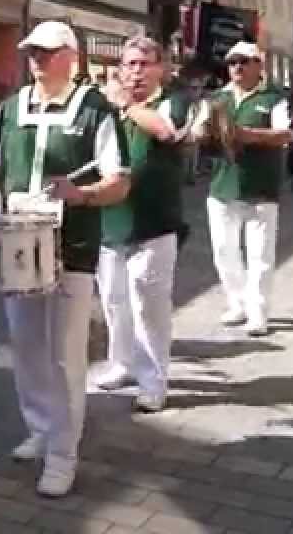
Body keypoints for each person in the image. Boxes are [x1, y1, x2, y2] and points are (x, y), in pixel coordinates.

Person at [0, 21, 131, 498]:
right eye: (32, 52)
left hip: (71, 251)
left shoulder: (95, 109)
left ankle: (64, 453)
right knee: (26, 349)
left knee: (64, 357)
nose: (36, 60)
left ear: (70, 57)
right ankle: (40, 426)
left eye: (46, 52)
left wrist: (80, 194)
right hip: (17, 248)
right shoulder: (11, 109)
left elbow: (119, 181)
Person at [95, 37, 190, 413]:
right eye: (130, 64)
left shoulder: (173, 101)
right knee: (114, 301)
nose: (136, 72)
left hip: (155, 220)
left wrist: (126, 104)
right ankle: (122, 363)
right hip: (111, 219)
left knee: (149, 305)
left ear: (161, 69)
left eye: (145, 64)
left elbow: (165, 130)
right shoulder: (110, 108)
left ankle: (154, 382)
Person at [191, 41, 293, 337]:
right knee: (224, 251)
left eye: (243, 61)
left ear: (258, 65)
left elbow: (284, 134)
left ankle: (258, 311)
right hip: (223, 185)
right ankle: (237, 302)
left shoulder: (273, 99)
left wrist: (244, 135)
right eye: (232, 62)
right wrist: (201, 132)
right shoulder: (217, 98)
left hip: (261, 186)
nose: (236, 67)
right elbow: (198, 129)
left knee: (260, 254)